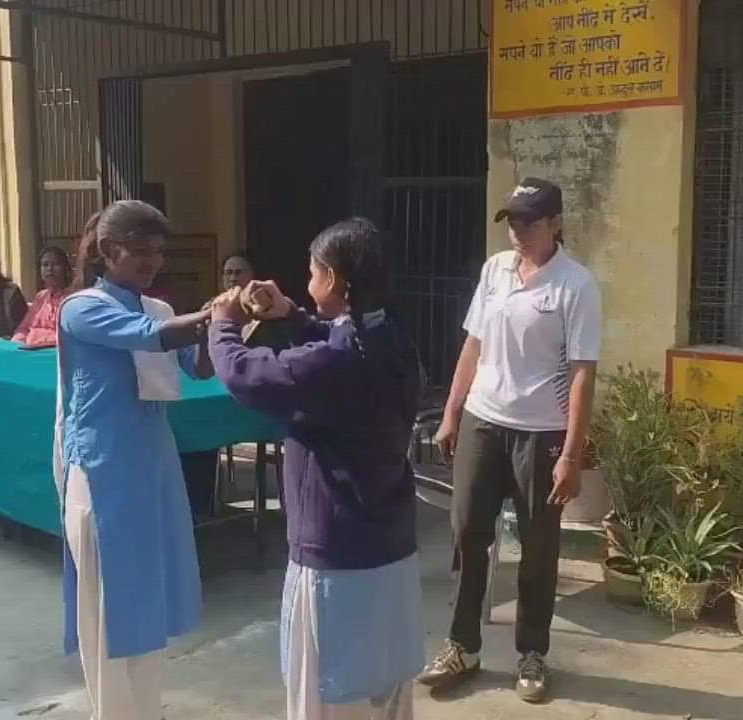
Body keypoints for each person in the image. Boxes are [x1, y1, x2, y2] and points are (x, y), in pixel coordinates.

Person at [208, 218, 424, 720]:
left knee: (330, 699)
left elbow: (249, 376)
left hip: (337, 557)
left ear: (335, 281)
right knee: (387, 694)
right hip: (391, 547)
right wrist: (289, 312)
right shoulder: (390, 338)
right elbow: (334, 339)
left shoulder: (336, 363)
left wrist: (223, 325)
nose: (307, 284)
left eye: (312, 274)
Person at [418, 178, 601, 703]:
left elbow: (584, 375)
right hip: (484, 418)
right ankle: (462, 645)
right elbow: (473, 343)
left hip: (542, 431)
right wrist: (452, 413)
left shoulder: (575, 285)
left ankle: (532, 653)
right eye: (513, 222)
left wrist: (571, 452)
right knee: (468, 534)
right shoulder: (494, 269)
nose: (519, 232)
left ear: (557, 224)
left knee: (538, 545)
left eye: (530, 222)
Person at [53, 200, 215, 720]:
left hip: (152, 470)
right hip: (103, 474)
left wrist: (223, 326)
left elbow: (201, 368)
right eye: (140, 250)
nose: (152, 262)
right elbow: (148, 338)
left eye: (159, 253)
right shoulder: (83, 307)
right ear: (108, 250)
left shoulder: (161, 310)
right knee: (107, 607)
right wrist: (212, 315)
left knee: (147, 599)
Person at [12, 246, 71, 348]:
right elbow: (24, 328)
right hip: (29, 351)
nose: (50, 269)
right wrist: (16, 343)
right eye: (45, 265)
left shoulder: (72, 299)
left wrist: (37, 340)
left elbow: (69, 335)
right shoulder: (40, 297)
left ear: (65, 268)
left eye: (56, 264)